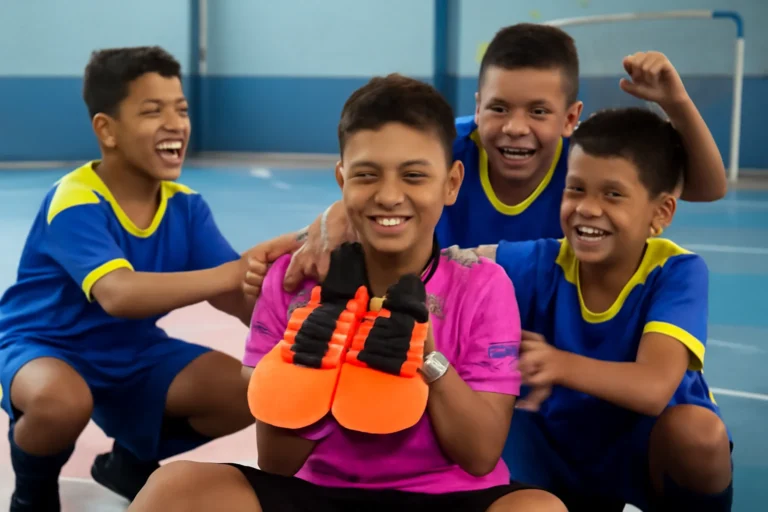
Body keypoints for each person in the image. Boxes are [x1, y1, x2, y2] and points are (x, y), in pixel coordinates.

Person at [128, 74, 567, 512]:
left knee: (539, 509)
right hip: (321, 494)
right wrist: (314, 368)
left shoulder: (483, 286)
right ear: (342, 179)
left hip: (449, 497)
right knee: (176, 488)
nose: (390, 195)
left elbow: (480, 455)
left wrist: (429, 359)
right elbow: (276, 462)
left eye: (414, 175)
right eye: (366, 175)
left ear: (451, 183)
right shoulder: (295, 283)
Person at [0, 46, 299, 511]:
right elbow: (118, 294)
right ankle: (32, 494)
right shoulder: (75, 199)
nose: (175, 123)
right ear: (107, 130)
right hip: (43, 345)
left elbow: (239, 295)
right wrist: (231, 271)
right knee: (60, 402)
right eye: (152, 111)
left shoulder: (185, 205)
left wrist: (293, 312)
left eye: (181, 109)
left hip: (132, 352)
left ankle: (130, 463)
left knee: (251, 389)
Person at [248, 24, 728, 291]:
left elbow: (706, 189)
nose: (515, 126)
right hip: (445, 321)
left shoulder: (585, 163)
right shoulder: (442, 148)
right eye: (498, 108)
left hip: (540, 331)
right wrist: (330, 219)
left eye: (539, 111)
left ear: (570, 117)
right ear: (477, 106)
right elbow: (374, 182)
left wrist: (676, 104)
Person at [478, 107, 733, 511]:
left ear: (661, 213)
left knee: (698, 433)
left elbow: (653, 388)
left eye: (612, 194)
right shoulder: (538, 262)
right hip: (563, 450)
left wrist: (557, 364)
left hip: (639, 449)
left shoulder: (676, 271)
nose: (587, 208)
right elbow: (447, 264)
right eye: (575, 189)